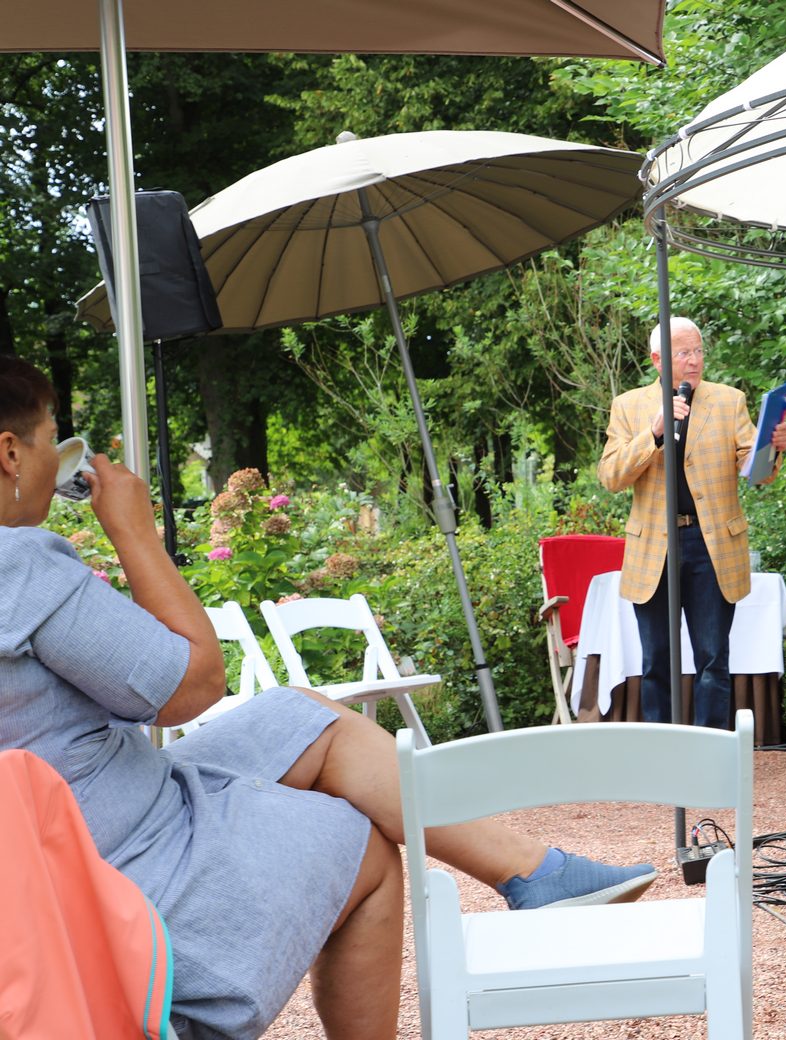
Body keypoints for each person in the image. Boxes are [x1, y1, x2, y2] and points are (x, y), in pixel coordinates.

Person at [0, 355, 657, 1040]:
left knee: (303, 715)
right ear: (11, 453)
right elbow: (192, 685)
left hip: (77, 822)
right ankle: (534, 876)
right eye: (52, 439)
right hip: (113, 853)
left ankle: (531, 871)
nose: (59, 456)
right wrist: (133, 530)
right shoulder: (19, 566)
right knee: (364, 852)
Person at [599, 316, 786, 729]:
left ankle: (712, 750)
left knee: (712, 659)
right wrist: (653, 432)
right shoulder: (629, 406)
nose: (694, 360)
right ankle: (663, 751)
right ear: (657, 360)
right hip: (654, 545)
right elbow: (611, 477)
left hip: (712, 543)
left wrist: (773, 449)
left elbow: (755, 472)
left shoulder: (729, 401)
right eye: (684, 352)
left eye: (698, 351)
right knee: (656, 660)